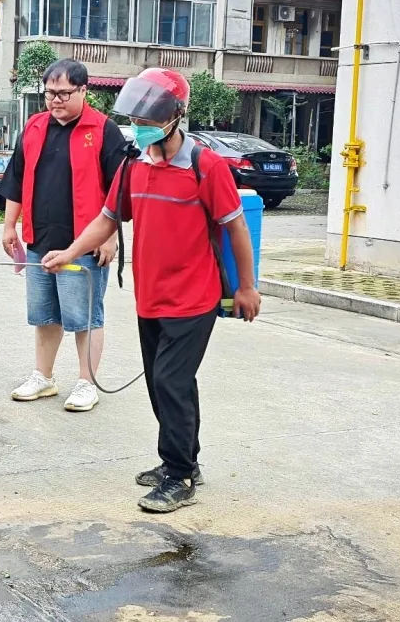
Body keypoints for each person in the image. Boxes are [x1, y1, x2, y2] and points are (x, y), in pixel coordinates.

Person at [42, 68, 262, 512]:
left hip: (194, 298)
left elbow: (235, 227)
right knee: (166, 387)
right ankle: (185, 461)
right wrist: (70, 249)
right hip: (151, 298)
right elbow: (108, 219)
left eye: (149, 118)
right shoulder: (133, 166)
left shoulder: (206, 166)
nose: (139, 127)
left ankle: (179, 477)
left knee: (170, 381)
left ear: (175, 116)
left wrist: (248, 288)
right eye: (136, 118)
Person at [0, 59, 129, 412]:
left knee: (84, 316)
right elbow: (16, 180)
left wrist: (109, 236)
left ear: (84, 90)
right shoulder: (34, 127)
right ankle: (44, 376)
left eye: (64, 93)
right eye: (50, 93)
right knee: (44, 314)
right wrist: (11, 225)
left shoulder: (103, 130)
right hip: (40, 239)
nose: (55, 101)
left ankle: (87, 382)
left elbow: (119, 192)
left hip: (84, 243)